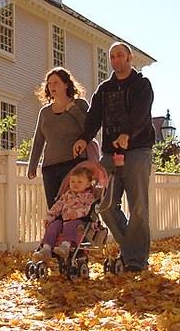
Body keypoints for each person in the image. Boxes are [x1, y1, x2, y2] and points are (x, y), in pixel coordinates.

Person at [73, 42, 156, 272]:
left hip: (138, 151)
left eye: (120, 55)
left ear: (130, 58)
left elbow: (141, 114)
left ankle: (136, 261)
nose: (116, 60)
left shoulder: (142, 85)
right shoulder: (104, 89)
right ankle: (132, 251)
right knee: (105, 204)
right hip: (110, 155)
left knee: (138, 207)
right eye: (112, 57)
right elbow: (93, 117)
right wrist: (83, 138)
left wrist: (127, 133)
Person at [27, 68, 89, 208]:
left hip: (73, 164)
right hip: (49, 167)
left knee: (72, 207)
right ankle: (57, 231)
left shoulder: (79, 104)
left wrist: (72, 109)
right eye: (49, 83)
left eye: (56, 82)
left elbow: (89, 129)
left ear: (66, 84)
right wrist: (32, 166)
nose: (52, 86)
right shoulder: (45, 112)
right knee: (55, 209)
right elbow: (38, 140)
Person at [31, 162, 102, 264]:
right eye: (72, 181)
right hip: (63, 219)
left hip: (80, 221)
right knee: (53, 225)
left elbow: (88, 208)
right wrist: (49, 217)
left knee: (71, 225)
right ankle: (46, 249)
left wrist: (76, 213)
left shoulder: (88, 196)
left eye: (79, 182)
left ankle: (65, 246)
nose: (75, 184)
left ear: (87, 184)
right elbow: (57, 206)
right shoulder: (67, 195)